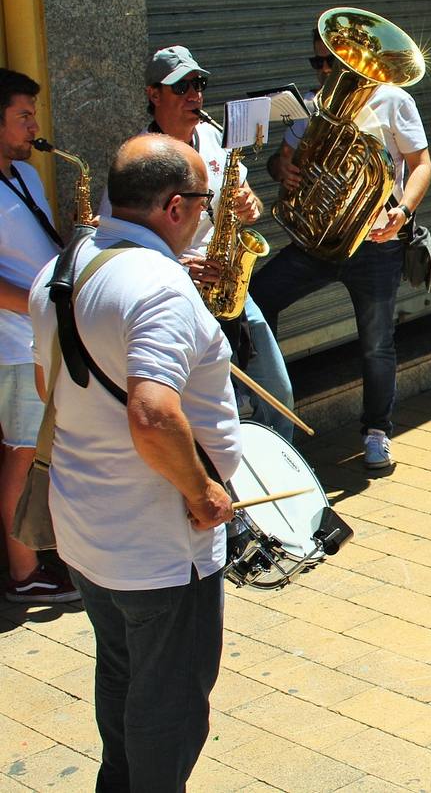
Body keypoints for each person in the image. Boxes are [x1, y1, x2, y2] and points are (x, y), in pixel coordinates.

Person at [29, 134, 240, 791]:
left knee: (121, 677)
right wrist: (203, 491)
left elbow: (49, 388)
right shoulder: (157, 285)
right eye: (205, 203)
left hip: (88, 531)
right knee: (171, 706)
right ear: (176, 206)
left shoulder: (65, 266)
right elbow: (151, 413)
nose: (207, 215)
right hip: (159, 545)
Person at [256, 27, 431, 470]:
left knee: (376, 345)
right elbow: (280, 160)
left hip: (376, 243)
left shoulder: (394, 100)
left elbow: (421, 164)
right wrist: (283, 171)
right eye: (316, 62)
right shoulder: (312, 107)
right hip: (317, 243)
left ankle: (377, 431)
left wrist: (404, 210)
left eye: (328, 63)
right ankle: (265, 415)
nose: (321, 71)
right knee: (256, 300)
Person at [139, 45, 296, 441]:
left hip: (231, 284)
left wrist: (248, 204)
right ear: (153, 94)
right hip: (182, 293)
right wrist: (181, 268)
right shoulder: (141, 158)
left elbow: (252, 203)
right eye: (181, 88)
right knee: (210, 408)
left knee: (278, 393)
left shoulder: (212, 134)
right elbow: (124, 243)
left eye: (199, 84)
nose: (194, 95)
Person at [0, 69, 79, 603]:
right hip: (12, 342)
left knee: (45, 451)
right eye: (23, 116)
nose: (34, 126)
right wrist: (41, 304)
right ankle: (24, 574)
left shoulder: (26, 176)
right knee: (21, 454)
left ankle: (45, 550)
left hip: (43, 334)